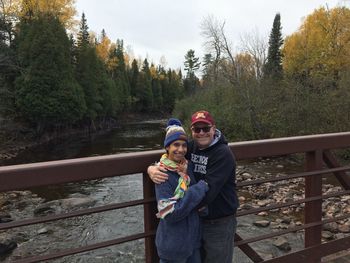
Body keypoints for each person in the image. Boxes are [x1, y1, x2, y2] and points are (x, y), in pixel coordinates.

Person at [149, 110, 239, 263]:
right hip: (196, 222)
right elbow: (171, 153)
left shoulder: (223, 154)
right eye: (197, 129)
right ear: (192, 131)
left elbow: (208, 191)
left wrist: (179, 206)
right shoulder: (191, 147)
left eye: (206, 128)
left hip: (219, 221)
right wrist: (151, 168)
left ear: (213, 128)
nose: (202, 133)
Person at [155, 118, 209, 263]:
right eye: (176, 145)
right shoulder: (161, 174)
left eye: (184, 145)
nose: (180, 149)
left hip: (192, 244)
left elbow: (195, 203)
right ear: (167, 147)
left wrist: (203, 207)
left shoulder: (186, 167)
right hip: (173, 248)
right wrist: (200, 188)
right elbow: (169, 212)